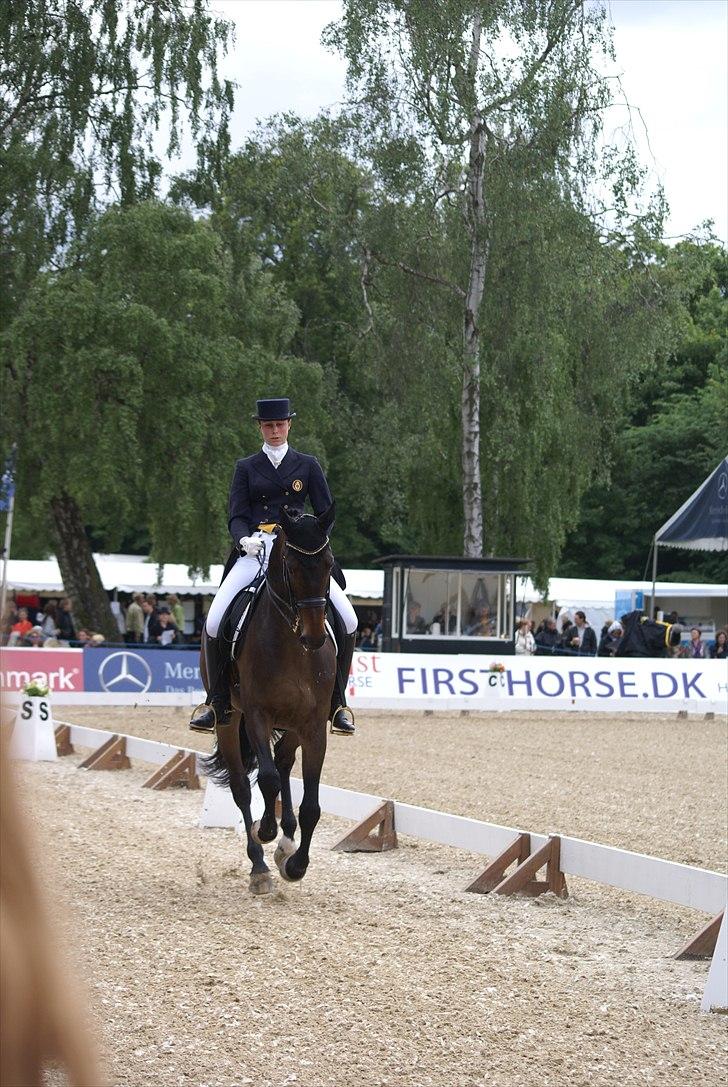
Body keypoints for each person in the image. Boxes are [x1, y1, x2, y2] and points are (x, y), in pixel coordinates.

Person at [189, 397, 358, 736]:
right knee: (215, 618)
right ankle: (217, 700)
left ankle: (337, 703)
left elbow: (326, 513)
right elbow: (236, 514)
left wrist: (313, 540)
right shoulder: (246, 467)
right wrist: (243, 540)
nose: (275, 430)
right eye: (269, 425)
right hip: (255, 549)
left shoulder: (307, 465)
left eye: (280, 424)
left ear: (289, 425)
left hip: (298, 550)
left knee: (349, 618)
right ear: (260, 428)